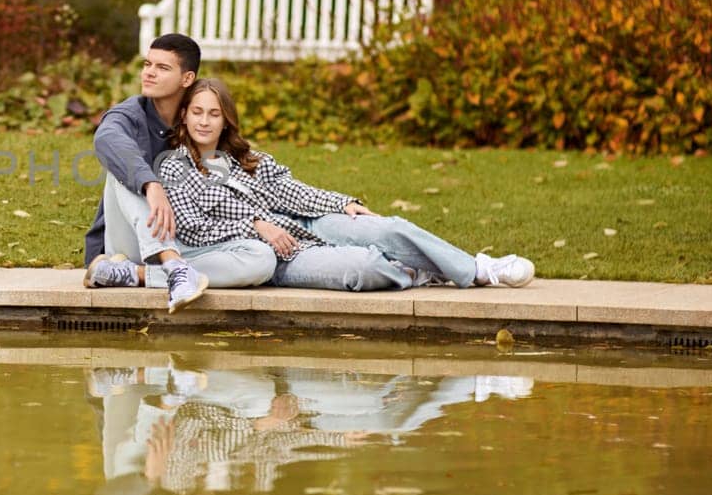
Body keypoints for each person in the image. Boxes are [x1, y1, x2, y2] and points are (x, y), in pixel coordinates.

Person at [155, 77, 535, 291]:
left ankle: (480, 270)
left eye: (214, 114)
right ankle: (422, 270)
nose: (205, 121)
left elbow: (292, 189)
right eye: (198, 112)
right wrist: (255, 226)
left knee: (385, 227)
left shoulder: (244, 157)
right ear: (185, 116)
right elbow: (194, 227)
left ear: (226, 120)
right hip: (275, 252)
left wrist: (341, 203)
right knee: (363, 268)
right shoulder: (176, 168)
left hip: (301, 221)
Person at [82, 35, 275, 312]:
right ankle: (172, 265)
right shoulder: (129, 114)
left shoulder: (198, 118)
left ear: (187, 78)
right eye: (148, 64)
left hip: (186, 237)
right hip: (132, 243)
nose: (148, 72)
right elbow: (107, 138)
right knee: (124, 168)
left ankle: (141, 275)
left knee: (262, 259)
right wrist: (150, 184)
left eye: (162, 68)